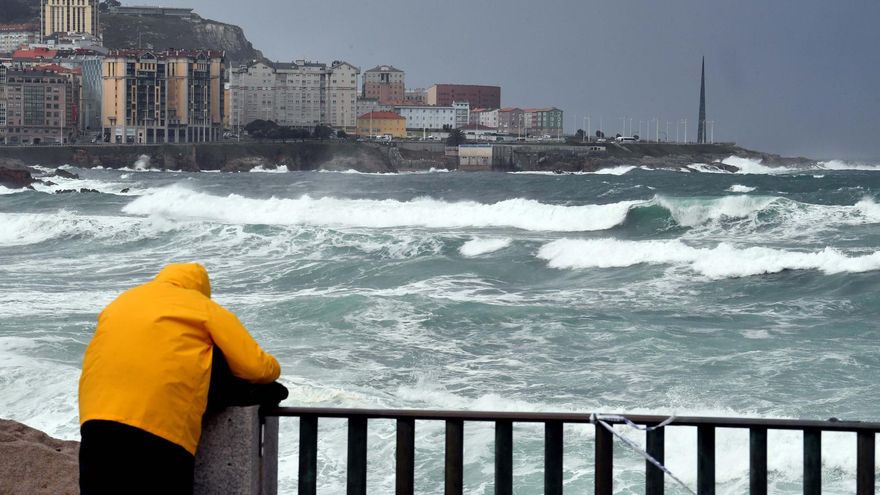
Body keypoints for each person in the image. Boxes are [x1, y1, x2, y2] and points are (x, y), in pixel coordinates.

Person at [78, 263, 285, 495]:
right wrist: (275, 371)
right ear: (201, 288)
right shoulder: (202, 307)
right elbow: (256, 367)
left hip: (96, 423)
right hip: (161, 429)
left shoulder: (121, 302)